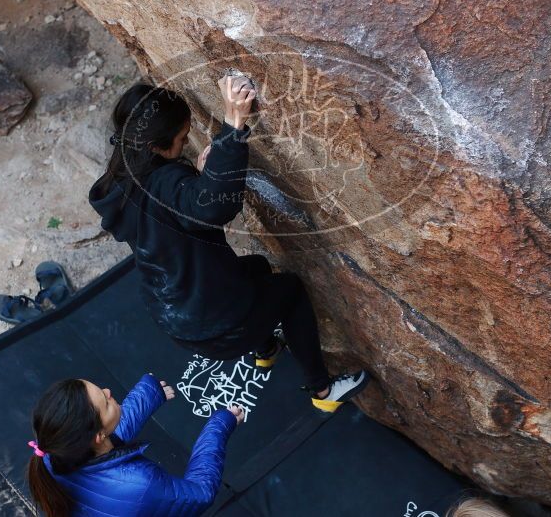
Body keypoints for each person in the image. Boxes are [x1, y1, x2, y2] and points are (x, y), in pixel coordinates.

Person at [89, 75, 368, 412]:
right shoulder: (167, 184)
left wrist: (198, 181)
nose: (185, 142)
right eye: (181, 138)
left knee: (257, 268)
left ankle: (266, 350)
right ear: (154, 146)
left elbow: (182, 206)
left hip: (174, 312)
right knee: (290, 291)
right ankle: (322, 392)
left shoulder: (118, 182)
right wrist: (234, 125)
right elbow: (213, 207)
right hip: (216, 326)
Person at [26, 373, 244, 517]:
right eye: (105, 400)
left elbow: (112, 435)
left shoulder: (53, 453)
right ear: (98, 436)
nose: (108, 391)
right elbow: (201, 493)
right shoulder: (141, 485)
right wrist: (220, 425)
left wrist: (149, 393)